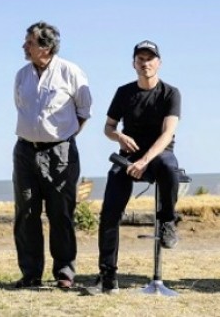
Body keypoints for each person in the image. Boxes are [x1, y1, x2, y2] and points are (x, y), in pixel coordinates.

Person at [94, 40, 182, 294]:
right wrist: (119, 137)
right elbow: (108, 128)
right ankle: (108, 274)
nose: (145, 63)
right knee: (109, 211)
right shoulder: (124, 92)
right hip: (127, 158)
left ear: (159, 63)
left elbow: (168, 134)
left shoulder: (170, 93)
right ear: (134, 63)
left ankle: (167, 221)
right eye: (140, 59)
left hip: (158, 155)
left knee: (168, 166)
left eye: (150, 58)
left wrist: (145, 161)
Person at [13, 21, 92, 289]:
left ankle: (65, 272)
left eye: (30, 42)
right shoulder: (22, 75)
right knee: (26, 212)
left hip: (60, 152)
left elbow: (84, 111)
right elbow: (21, 107)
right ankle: (31, 272)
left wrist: (61, 138)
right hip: (24, 151)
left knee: (61, 212)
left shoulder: (70, 72)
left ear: (46, 47)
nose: (25, 46)